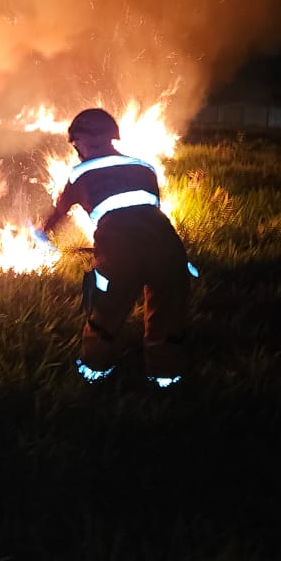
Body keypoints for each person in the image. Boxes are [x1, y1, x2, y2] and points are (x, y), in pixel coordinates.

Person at [37, 108, 192, 388]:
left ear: (80, 141)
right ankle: (165, 378)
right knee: (167, 314)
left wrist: (42, 236)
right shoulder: (144, 166)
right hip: (168, 248)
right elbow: (149, 208)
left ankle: (94, 373)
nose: (76, 148)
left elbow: (59, 214)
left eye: (76, 143)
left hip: (120, 252)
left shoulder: (80, 174)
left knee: (106, 312)